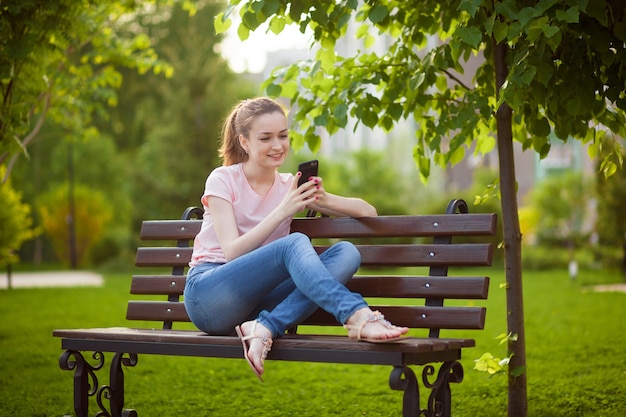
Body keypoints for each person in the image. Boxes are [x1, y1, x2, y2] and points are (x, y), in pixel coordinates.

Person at [183, 97, 408, 382]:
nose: (277, 146)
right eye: (265, 138)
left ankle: (265, 328)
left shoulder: (291, 185)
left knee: (347, 253)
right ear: (244, 142)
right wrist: (283, 211)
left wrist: (323, 199)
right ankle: (357, 315)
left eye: (283, 135)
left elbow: (369, 212)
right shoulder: (222, 179)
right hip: (210, 296)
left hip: (260, 303)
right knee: (294, 242)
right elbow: (231, 252)